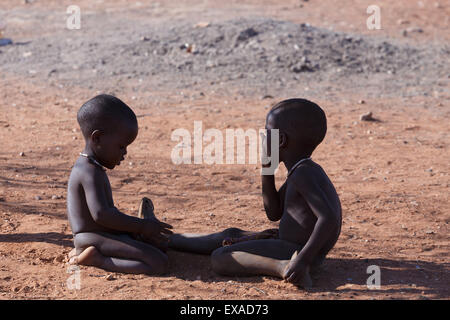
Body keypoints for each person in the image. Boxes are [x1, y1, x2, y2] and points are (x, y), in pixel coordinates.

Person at [169, 98, 342, 288]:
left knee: (222, 257)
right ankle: (165, 239)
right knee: (230, 234)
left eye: (266, 132)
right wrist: (267, 169)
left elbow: (329, 218)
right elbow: (274, 212)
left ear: (281, 140)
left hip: (297, 252)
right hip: (291, 245)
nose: (262, 138)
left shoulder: (303, 173)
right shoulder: (301, 169)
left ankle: (282, 267)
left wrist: (303, 259)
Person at [66, 94, 173, 275]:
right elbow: (102, 215)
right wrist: (141, 226)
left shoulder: (92, 167)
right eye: (121, 146)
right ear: (97, 138)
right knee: (158, 262)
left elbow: (105, 217)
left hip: (102, 235)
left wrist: (136, 231)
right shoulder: (89, 172)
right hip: (90, 238)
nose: (124, 153)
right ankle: (96, 259)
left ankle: (90, 254)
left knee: (157, 248)